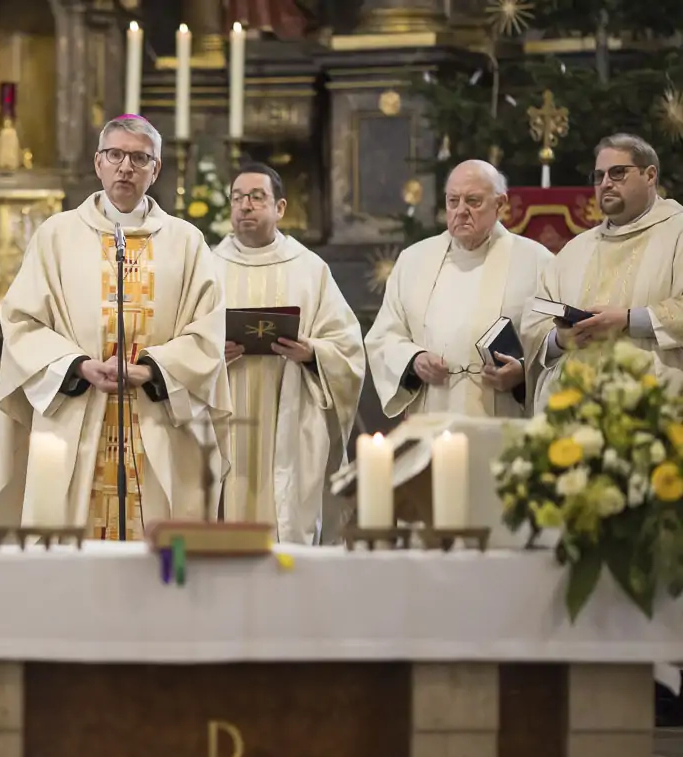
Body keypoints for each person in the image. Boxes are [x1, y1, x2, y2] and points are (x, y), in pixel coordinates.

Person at [0, 114, 231, 538]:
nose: (126, 167)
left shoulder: (186, 241)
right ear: (98, 162)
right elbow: (21, 321)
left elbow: (208, 331)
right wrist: (77, 365)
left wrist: (153, 370)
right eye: (115, 155)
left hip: (157, 418)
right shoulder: (56, 236)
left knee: (160, 559)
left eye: (140, 158)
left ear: (156, 170)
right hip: (76, 419)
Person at [213, 163, 364, 543]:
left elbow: (347, 347)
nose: (245, 206)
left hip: (290, 416)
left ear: (280, 208)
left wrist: (312, 352)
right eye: (237, 198)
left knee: (284, 522)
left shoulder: (310, 269)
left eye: (256, 197)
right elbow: (177, 339)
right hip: (222, 415)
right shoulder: (206, 267)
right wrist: (211, 352)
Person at [365, 159, 553, 419]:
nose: (461, 211)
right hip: (431, 415)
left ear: (500, 203)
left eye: (473, 201)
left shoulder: (536, 262)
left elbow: (556, 343)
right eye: (453, 201)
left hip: (503, 420)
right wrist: (414, 359)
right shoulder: (414, 260)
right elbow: (384, 336)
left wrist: (522, 374)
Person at [525, 133, 683, 406]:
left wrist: (629, 320)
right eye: (599, 176)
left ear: (650, 175)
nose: (606, 183)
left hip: (651, 408)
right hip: (572, 412)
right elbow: (535, 321)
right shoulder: (576, 249)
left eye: (618, 173)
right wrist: (561, 340)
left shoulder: (677, 232)